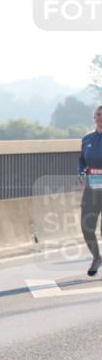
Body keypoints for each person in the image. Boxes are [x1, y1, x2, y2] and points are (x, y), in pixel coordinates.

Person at [78, 104, 102, 276]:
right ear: (94, 118)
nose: (100, 117)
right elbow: (82, 161)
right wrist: (80, 172)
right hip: (92, 188)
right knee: (87, 227)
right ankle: (97, 257)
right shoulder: (87, 139)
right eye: (98, 114)